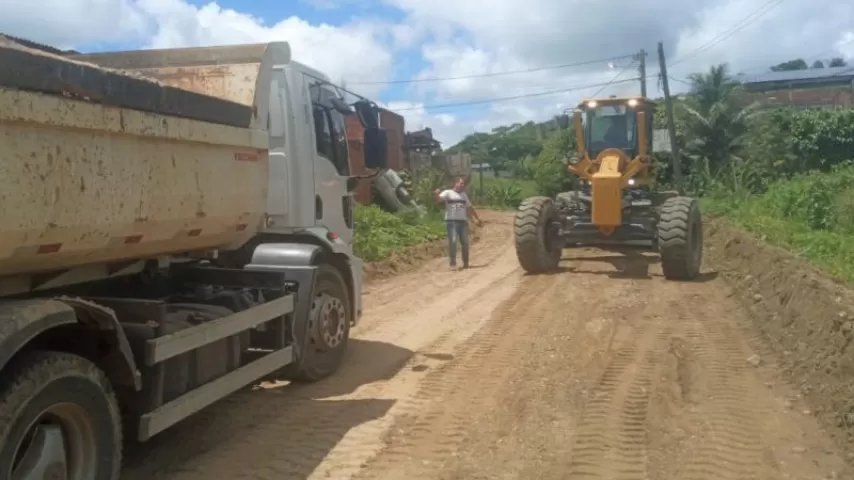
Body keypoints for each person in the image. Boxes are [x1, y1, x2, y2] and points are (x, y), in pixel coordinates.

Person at [434, 177, 483, 270]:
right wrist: (436, 194)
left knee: (465, 243)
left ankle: (466, 262)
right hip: (452, 221)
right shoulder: (448, 193)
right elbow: (438, 200)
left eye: (463, 184)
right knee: (453, 241)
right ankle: (453, 261)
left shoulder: (464, 195)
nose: (462, 185)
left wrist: (477, 218)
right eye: (461, 183)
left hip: (463, 222)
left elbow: (469, 208)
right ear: (455, 183)